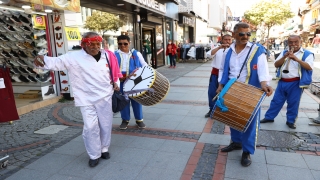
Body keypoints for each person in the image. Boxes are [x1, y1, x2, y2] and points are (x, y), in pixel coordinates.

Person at [33, 32, 122, 167]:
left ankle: (104, 148)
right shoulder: (73, 57)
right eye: (91, 45)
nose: (95, 47)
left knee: (106, 124)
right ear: (84, 45)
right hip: (86, 98)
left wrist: (117, 83)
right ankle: (94, 154)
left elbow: (115, 73)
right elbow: (56, 62)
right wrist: (42, 59)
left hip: (106, 96)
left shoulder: (108, 55)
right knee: (90, 127)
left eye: (98, 44)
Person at [217, 22, 273, 167]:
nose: (245, 37)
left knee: (250, 122)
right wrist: (220, 85)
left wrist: (264, 84)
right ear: (234, 34)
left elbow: (262, 69)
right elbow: (223, 69)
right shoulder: (228, 50)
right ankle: (236, 142)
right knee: (233, 117)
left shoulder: (257, 49)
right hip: (232, 89)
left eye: (248, 34)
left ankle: (247, 151)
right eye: (242, 34)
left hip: (250, 91)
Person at [261, 35, 314, 129]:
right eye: (291, 42)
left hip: (296, 83)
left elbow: (309, 67)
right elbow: (276, 64)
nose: (293, 44)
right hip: (282, 81)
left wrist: (296, 59)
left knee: (293, 102)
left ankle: (290, 121)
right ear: (287, 43)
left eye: (296, 42)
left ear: (300, 42)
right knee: (276, 101)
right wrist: (284, 57)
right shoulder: (284, 52)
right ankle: (269, 117)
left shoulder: (307, 53)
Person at [114, 35, 148, 130]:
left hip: (134, 80)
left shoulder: (136, 54)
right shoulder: (114, 54)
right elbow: (111, 69)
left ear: (129, 43)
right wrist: (117, 79)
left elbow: (144, 65)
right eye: (120, 43)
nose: (122, 45)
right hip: (120, 80)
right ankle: (125, 120)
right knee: (123, 100)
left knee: (137, 99)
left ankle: (139, 120)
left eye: (125, 43)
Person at [204, 34, 232, 118]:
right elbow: (208, 54)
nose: (227, 41)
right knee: (212, 92)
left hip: (227, 75)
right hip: (215, 74)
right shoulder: (217, 48)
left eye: (229, 40)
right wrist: (219, 47)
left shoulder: (234, 49)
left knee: (226, 94)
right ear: (222, 40)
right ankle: (212, 109)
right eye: (225, 39)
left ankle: (224, 110)